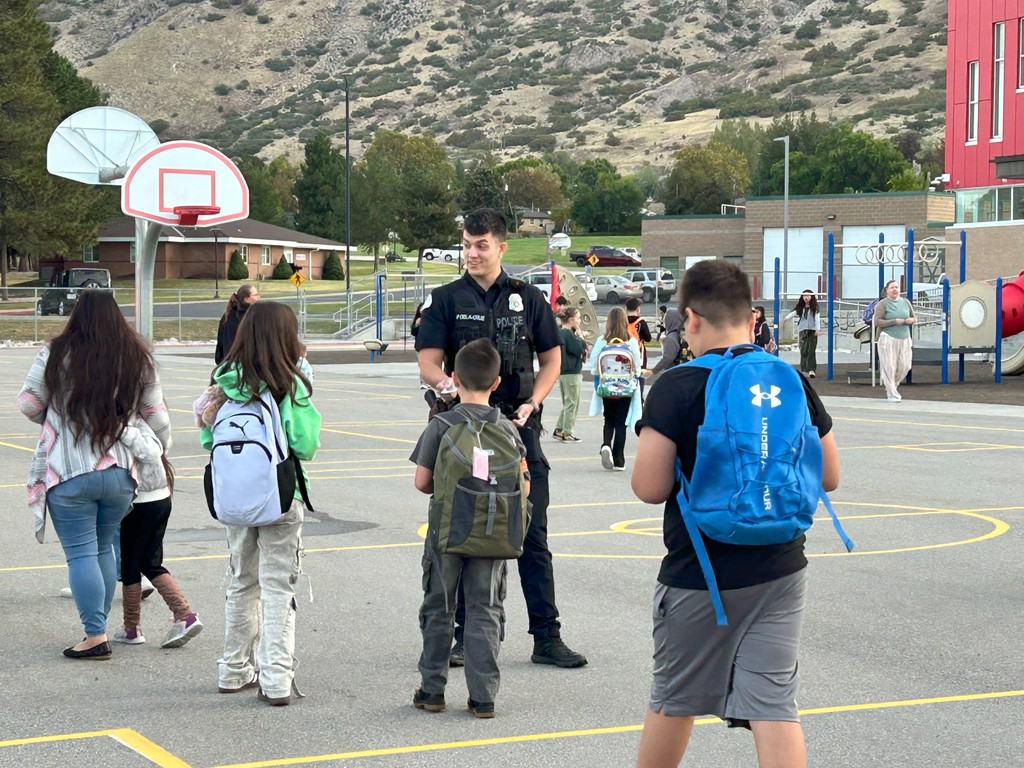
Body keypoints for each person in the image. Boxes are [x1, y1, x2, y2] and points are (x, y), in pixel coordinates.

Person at [631, 260, 839, 768]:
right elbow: (829, 476)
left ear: (691, 319)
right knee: (774, 706)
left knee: (674, 700)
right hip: (782, 567)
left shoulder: (677, 385)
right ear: (751, 318)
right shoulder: (788, 378)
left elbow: (649, 487)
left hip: (700, 574)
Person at [416, 207, 587, 669]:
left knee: (533, 532)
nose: (471, 253)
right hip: (466, 438)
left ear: (500, 247)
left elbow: (551, 360)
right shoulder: (445, 299)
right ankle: (464, 635)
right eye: (466, 245)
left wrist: (534, 401)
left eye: (481, 245)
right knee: (468, 531)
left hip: (517, 431)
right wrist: (446, 386)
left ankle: (546, 636)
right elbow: (429, 361)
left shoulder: (528, 299)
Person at [18, 291, 170, 660]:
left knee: (81, 552)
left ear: (76, 317)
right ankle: (98, 627)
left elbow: (29, 403)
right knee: (103, 546)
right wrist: (159, 452)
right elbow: (157, 415)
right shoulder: (136, 357)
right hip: (119, 471)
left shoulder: (56, 354)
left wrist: (57, 419)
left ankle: (94, 634)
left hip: (70, 470)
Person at [200, 301, 322, 705]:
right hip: (281, 497)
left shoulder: (222, 382)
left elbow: (207, 439)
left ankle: (233, 669)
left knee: (241, 581)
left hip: (235, 497)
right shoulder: (290, 384)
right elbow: (305, 445)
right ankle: (276, 678)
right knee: (277, 587)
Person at [410, 339, 527, 719]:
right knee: (485, 610)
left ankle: (431, 689)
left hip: (448, 531)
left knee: (439, 607)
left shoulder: (442, 425)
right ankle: (483, 697)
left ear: (455, 378)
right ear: (496, 383)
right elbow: (524, 485)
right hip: (493, 533)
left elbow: (422, 482)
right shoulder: (508, 429)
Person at [115, 421, 202, 648]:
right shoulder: (144, 418)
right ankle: (180, 615)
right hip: (159, 497)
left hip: (140, 502)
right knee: (148, 562)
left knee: (132, 566)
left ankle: (135, 627)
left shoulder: (125, 425)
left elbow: (149, 451)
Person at [589, 306, 643, 471]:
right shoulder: (631, 341)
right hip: (625, 389)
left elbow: (593, 365)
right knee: (621, 423)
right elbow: (638, 368)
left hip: (607, 388)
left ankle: (606, 444)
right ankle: (619, 459)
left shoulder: (601, 341)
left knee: (609, 420)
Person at [872, 279, 916, 402]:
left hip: (905, 337)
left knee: (905, 365)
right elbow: (877, 322)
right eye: (892, 287)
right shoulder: (882, 304)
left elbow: (914, 317)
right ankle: (891, 392)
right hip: (888, 337)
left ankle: (893, 386)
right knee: (889, 366)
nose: (895, 289)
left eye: (897, 287)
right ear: (887, 291)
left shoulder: (905, 302)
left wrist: (911, 320)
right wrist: (894, 321)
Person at [553, 306, 587, 443]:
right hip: (572, 371)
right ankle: (567, 432)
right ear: (571, 319)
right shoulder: (569, 334)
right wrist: (581, 337)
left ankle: (559, 428)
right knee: (572, 403)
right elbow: (579, 348)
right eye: (578, 318)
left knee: (567, 402)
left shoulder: (559, 332)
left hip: (563, 372)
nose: (579, 321)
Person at [215, 284, 259, 364]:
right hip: (241, 364)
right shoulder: (247, 317)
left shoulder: (227, 315)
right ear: (246, 299)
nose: (258, 297)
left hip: (227, 362)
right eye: (255, 295)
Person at [784, 290, 821, 378]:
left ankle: (811, 369)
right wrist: (786, 318)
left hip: (812, 330)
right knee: (803, 350)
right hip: (802, 330)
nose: (806, 298)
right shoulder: (801, 307)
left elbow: (817, 318)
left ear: (811, 297)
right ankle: (804, 370)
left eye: (808, 295)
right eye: (804, 296)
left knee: (811, 350)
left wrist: (817, 329)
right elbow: (794, 312)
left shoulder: (814, 307)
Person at [647, 309, 685, 384]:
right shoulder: (681, 334)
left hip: (673, 373)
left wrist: (653, 370)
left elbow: (668, 358)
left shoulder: (670, 337)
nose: (664, 323)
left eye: (665, 319)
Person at [626, 297, 652, 399]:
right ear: (638, 309)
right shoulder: (641, 322)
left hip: (625, 353)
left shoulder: (622, 322)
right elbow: (648, 338)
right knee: (640, 377)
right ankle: (639, 398)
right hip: (640, 354)